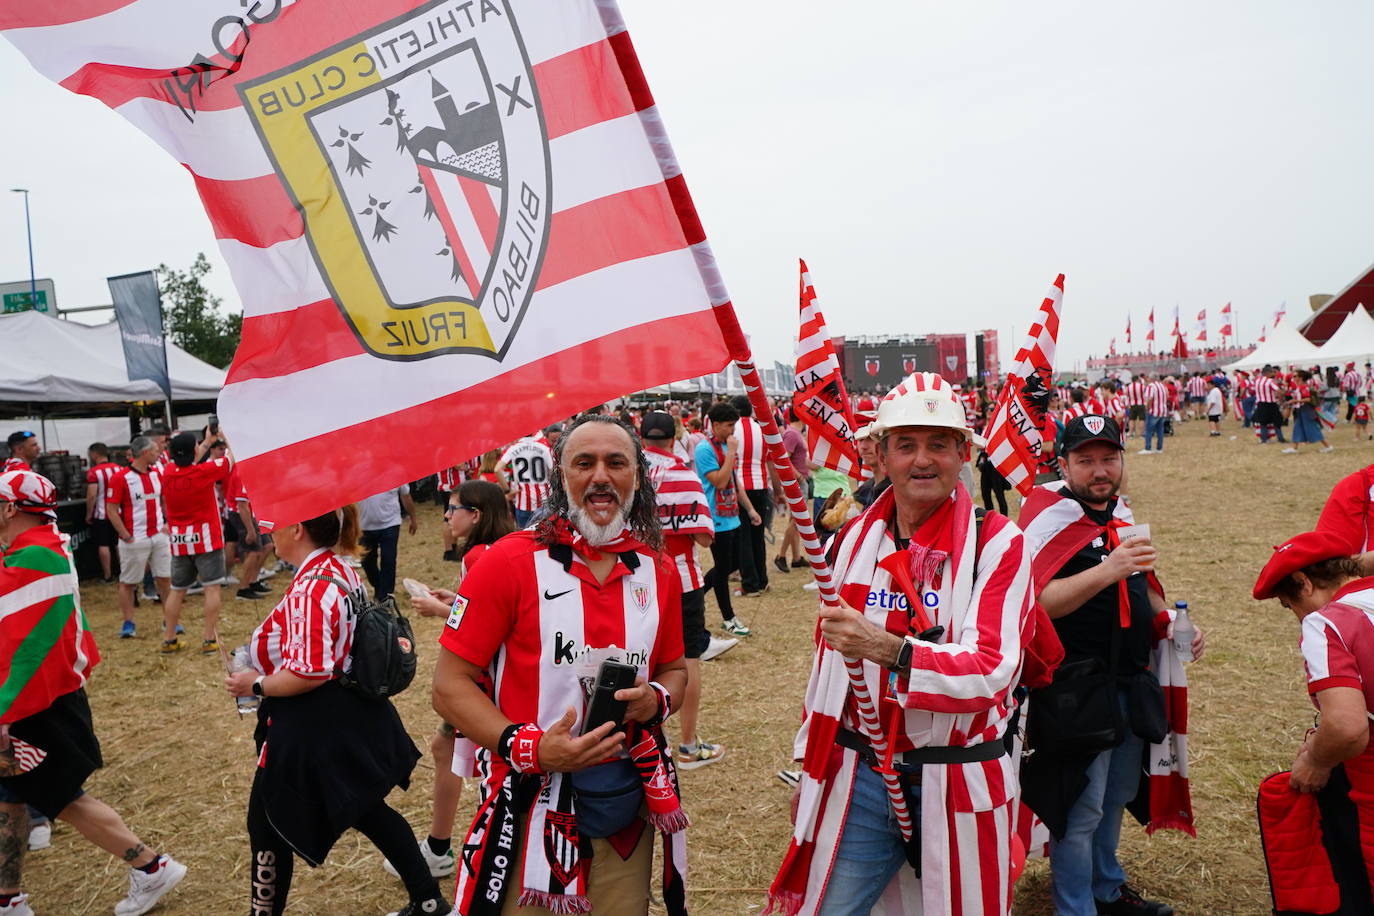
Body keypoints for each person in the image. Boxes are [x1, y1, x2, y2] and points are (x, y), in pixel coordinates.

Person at [768, 373, 1033, 916]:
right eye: (906, 444)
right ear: (881, 456)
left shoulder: (999, 542)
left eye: (939, 444)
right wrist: (806, 763)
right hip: (861, 777)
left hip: (958, 776)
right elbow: (827, 668)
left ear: (963, 453)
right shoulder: (851, 540)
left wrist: (890, 649)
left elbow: (991, 671)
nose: (922, 460)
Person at [433, 415, 691, 915]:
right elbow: (449, 686)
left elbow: (675, 671)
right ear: (560, 477)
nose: (601, 476)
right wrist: (529, 747)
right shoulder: (507, 562)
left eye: (617, 463)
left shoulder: (656, 568)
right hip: (528, 804)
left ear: (637, 479)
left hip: (625, 805)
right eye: (584, 463)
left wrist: (654, 700)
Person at [1017, 415, 1205, 916]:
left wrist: (1168, 622)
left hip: (1129, 680)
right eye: (1086, 460)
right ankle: (1075, 907)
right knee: (1081, 807)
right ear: (1064, 464)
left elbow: (1141, 585)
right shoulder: (1048, 518)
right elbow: (1037, 603)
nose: (1099, 471)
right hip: (1075, 688)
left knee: (1119, 791)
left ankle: (1106, 888)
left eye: (1108, 458)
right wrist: (1111, 567)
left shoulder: (1120, 513)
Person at [223, 504, 447, 916]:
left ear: (297, 527)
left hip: (312, 719)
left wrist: (253, 683)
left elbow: (309, 672)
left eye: (275, 525)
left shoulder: (315, 585)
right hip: (340, 712)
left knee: (268, 822)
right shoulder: (337, 565)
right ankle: (429, 902)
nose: (269, 532)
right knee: (366, 809)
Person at [0, 470, 187, 916]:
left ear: (10, 508)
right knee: (13, 799)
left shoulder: (34, 559)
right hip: (40, 698)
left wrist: (4, 711)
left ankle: (151, 866)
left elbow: (28, 649)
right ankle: (8, 898)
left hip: (34, 704)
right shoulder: (42, 549)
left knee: (63, 799)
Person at [394, 479, 516, 882]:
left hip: (482, 680)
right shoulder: (504, 548)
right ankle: (439, 845)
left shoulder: (478, 555)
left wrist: (438, 610)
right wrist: (456, 599)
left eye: (453, 508)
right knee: (447, 748)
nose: (446, 516)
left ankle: (440, 848)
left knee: (461, 754)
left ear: (475, 515)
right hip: (501, 676)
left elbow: (486, 625)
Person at [1252, 530, 1374, 912]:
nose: (1297, 617)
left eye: (1290, 606)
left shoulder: (1326, 623)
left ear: (1303, 583)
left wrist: (1316, 760)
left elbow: (1347, 727)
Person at [642, 411, 731, 769]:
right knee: (686, 660)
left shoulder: (628, 472)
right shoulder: (682, 473)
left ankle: (642, 740)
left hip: (635, 578)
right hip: (680, 579)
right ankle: (689, 746)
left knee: (641, 656)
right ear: (674, 434)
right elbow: (704, 538)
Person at [158, 431, 233, 654]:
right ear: (193, 451)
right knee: (212, 588)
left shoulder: (168, 472)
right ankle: (209, 639)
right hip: (207, 540)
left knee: (177, 590)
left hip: (180, 541)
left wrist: (208, 441)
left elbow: (189, 459)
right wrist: (226, 437)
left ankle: (169, 638)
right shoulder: (204, 471)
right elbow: (231, 458)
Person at [696, 402, 758, 637]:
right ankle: (728, 617)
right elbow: (720, 481)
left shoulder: (724, 446)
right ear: (717, 425)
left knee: (730, 565)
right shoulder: (705, 449)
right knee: (723, 569)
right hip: (715, 516)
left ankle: (696, 594)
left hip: (731, 514)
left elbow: (733, 481)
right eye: (730, 426)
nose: (733, 431)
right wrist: (731, 452)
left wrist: (750, 509)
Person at [105, 436, 169, 639]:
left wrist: (167, 523)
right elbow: (111, 509)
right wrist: (124, 534)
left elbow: (164, 501)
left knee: (165, 579)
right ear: (144, 453)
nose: (158, 453)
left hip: (158, 535)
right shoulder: (121, 477)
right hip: (134, 538)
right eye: (155, 450)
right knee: (129, 582)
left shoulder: (157, 474)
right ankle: (128, 623)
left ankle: (170, 620)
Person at [730, 395, 782, 597]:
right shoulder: (762, 430)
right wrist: (778, 491)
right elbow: (772, 465)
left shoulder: (732, 431)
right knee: (758, 537)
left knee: (743, 538)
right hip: (761, 486)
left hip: (741, 488)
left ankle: (750, 584)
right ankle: (762, 580)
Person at [358, 483, 419, 602]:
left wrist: (413, 518)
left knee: (389, 559)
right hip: (364, 525)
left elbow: (405, 496)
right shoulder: (357, 472)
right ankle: (379, 585)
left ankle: (385, 595)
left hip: (390, 523)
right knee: (367, 561)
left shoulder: (395, 471)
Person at [774, 409, 812, 572]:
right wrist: (798, 476)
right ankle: (781, 556)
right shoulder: (793, 434)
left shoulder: (793, 433)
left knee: (794, 520)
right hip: (797, 481)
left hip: (798, 480)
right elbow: (784, 458)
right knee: (797, 520)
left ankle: (796, 557)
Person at [498, 433, 554, 528]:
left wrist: (507, 490)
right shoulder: (544, 446)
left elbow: (497, 469)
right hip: (544, 500)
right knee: (546, 535)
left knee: (524, 537)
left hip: (522, 502)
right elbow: (553, 469)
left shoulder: (513, 448)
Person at [84, 443, 122, 583]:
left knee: (103, 544)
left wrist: (88, 513)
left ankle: (107, 576)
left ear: (95, 454)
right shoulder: (119, 469)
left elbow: (92, 496)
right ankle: (123, 572)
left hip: (102, 514)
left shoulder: (94, 472)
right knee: (119, 542)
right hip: (118, 513)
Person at [1281, 369, 1334, 454]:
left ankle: (1328, 446)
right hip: (1301, 410)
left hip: (1306, 410)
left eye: (1295, 376)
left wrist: (1294, 401)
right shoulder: (1300, 387)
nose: (1293, 378)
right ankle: (1294, 448)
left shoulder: (1303, 387)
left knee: (1312, 428)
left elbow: (1308, 399)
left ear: (1300, 378)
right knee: (1297, 428)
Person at [1140, 374, 1169, 454]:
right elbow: (1167, 396)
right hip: (1162, 411)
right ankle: (1159, 448)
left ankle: (1148, 448)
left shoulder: (1151, 386)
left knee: (1148, 430)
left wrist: (1147, 408)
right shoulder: (1162, 386)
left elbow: (1149, 398)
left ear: (1152, 378)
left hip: (1153, 411)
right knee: (1160, 430)